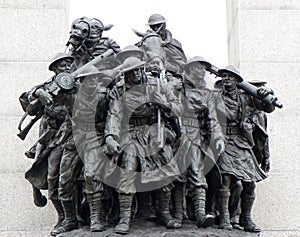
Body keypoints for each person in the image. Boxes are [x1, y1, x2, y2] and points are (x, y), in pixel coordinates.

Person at [105, 56, 182, 234]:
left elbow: (178, 109)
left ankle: (164, 213)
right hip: (130, 133)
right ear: (126, 74)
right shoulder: (118, 90)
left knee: (166, 164)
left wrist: (164, 104)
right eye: (133, 72)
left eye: (140, 70)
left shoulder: (157, 85)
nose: (138, 74)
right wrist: (110, 137)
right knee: (129, 166)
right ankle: (125, 217)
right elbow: (114, 115)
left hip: (155, 131)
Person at [215, 65, 275, 232]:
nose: (226, 78)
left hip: (241, 142)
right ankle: (225, 217)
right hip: (223, 140)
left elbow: (268, 107)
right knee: (225, 179)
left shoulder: (245, 98)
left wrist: (266, 91)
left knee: (249, 183)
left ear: (237, 81)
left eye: (230, 76)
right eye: (224, 76)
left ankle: (246, 218)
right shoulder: (214, 97)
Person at [24, 53, 78, 236]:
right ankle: (62, 217)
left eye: (69, 64)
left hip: (72, 135)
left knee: (65, 177)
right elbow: (27, 102)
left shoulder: (78, 84)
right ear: (54, 69)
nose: (67, 67)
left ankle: (72, 218)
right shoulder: (47, 86)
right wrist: (38, 93)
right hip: (51, 136)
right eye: (62, 65)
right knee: (50, 176)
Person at [172, 56, 225, 227]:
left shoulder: (207, 94)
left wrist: (218, 137)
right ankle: (179, 214)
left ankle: (201, 214)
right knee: (177, 175)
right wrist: (172, 90)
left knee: (196, 170)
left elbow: (212, 118)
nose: (203, 71)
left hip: (195, 135)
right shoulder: (178, 86)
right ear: (190, 69)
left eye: (204, 68)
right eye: (199, 67)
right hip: (176, 133)